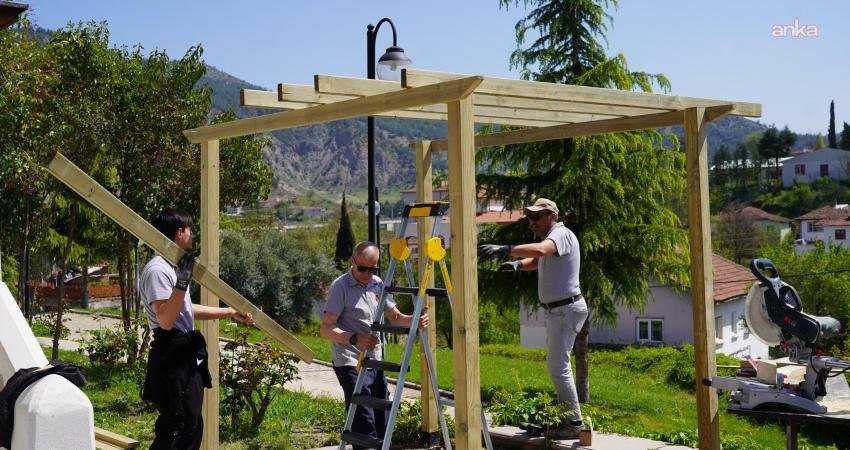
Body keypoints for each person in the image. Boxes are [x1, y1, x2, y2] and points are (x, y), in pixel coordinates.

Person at [140, 208, 255, 450]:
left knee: (190, 422)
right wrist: (183, 282)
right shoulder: (158, 270)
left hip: (182, 353)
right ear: (179, 232)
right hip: (171, 356)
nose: (193, 235)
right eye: (190, 230)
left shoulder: (171, 267)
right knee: (177, 427)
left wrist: (230, 312)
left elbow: (185, 311)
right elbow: (166, 320)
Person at [478, 198, 588, 439]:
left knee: (558, 367)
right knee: (557, 366)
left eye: (536, 217)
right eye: (530, 218)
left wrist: (505, 249)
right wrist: (517, 265)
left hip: (565, 309)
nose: (532, 223)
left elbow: (540, 251)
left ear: (552, 216)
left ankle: (574, 423)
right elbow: (537, 261)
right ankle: (567, 419)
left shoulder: (561, 234)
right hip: (559, 310)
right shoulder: (552, 239)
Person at [320, 241, 429, 449]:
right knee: (363, 419)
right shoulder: (340, 286)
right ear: (352, 262)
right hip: (350, 360)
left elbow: (396, 317)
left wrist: (416, 319)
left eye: (372, 269)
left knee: (383, 418)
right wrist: (354, 338)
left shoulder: (378, 283)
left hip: (374, 359)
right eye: (362, 268)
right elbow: (325, 329)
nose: (367, 273)